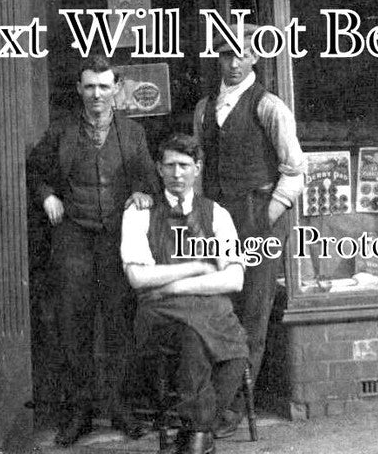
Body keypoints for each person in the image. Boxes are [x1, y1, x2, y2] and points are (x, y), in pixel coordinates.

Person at [26, 55, 160, 447]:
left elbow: (148, 181)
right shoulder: (63, 131)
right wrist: (48, 195)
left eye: (104, 86)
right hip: (74, 237)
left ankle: (119, 406)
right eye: (90, 87)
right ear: (80, 90)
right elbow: (35, 170)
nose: (97, 94)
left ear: (116, 89)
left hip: (116, 240)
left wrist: (141, 192)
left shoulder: (133, 134)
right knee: (73, 324)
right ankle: (81, 410)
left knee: (119, 322)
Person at [194, 24, 306, 438]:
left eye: (243, 54)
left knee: (252, 315)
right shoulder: (205, 108)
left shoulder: (269, 105)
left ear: (256, 58)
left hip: (259, 214)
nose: (235, 62)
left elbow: (294, 170)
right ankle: (210, 402)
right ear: (218, 59)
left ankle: (233, 409)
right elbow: (199, 167)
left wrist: (266, 217)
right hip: (216, 218)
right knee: (217, 309)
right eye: (226, 54)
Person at [120, 134, 249, 454]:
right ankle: (200, 433)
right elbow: (138, 277)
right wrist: (197, 267)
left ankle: (196, 429)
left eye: (185, 165)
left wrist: (175, 285)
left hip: (200, 303)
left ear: (198, 169)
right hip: (158, 311)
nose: (177, 173)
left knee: (235, 349)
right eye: (170, 165)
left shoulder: (216, 213)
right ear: (159, 169)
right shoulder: (139, 212)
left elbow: (234, 278)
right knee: (194, 336)